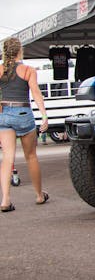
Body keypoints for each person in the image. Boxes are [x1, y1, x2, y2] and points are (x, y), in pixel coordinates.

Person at [0, 37, 49, 212]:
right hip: (23, 113)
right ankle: (39, 195)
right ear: (20, 51)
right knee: (31, 156)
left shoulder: (0, 69)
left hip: (4, 114)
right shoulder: (28, 70)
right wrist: (44, 116)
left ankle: (5, 200)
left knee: (7, 158)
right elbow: (36, 93)